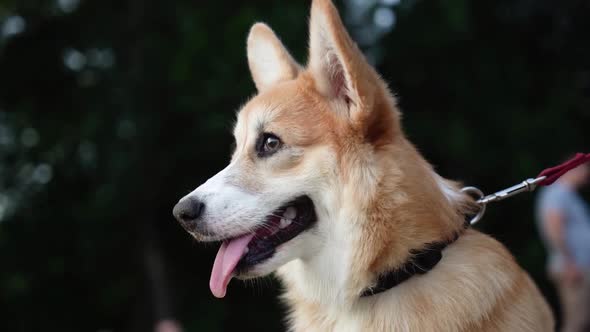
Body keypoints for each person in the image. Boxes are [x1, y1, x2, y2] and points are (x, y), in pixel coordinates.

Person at [536, 160, 590, 332]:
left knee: (582, 320)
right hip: (573, 267)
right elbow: (554, 227)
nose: (587, 176)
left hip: (578, 265)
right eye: (584, 170)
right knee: (576, 321)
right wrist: (568, 262)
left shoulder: (567, 194)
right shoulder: (558, 193)